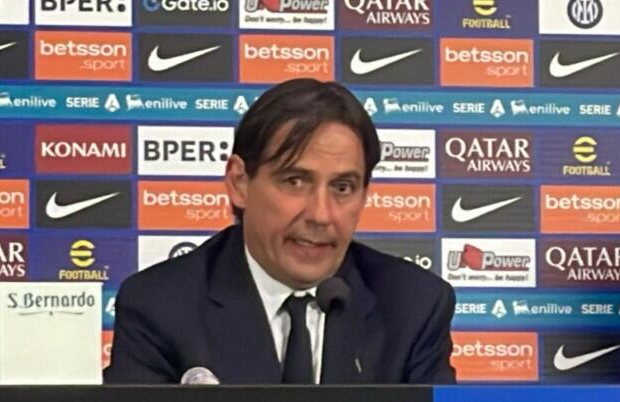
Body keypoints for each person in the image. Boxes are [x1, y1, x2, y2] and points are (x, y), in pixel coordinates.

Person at [105, 78, 456, 384]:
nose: (321, 215)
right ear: (239, 182)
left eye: (342, 188)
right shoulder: (160, 307)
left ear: (364, 195)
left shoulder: (413, 306)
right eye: (295, 181)